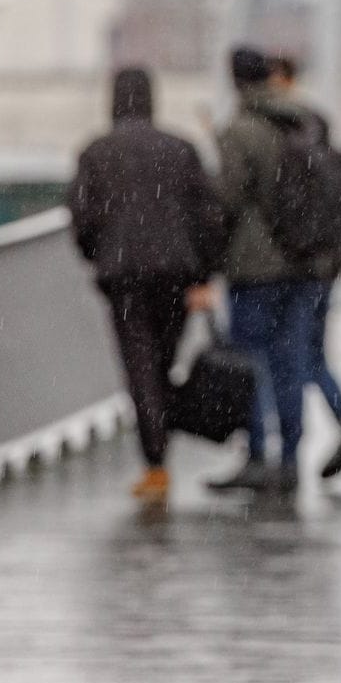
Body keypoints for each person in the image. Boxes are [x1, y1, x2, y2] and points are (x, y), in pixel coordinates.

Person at [68, 68, 226, 505]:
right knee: (164, 359)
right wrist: (203, 274)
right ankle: (163, 432)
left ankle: (155, 463)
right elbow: (208, 214)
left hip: (123, 276)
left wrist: (96, 254)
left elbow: (82, 217)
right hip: (176, 272)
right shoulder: (180, 148)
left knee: (139, 364)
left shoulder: (96, 152)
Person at [205, 46, 321, 495]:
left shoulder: (242, 130)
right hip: (303, 261)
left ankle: (257, 454)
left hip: (254, 268)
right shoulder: (303, 120)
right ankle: (291, 459)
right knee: (291, 362)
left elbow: (226, 201)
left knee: (251, 362)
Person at [267, 54, 341, 480]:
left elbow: (290, 214)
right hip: (329, 266)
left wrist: (289, 249)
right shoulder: (335, 159)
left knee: (294, 357)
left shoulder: (292, 154)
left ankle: (291, 452)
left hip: (301, 269)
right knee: (315, 354)